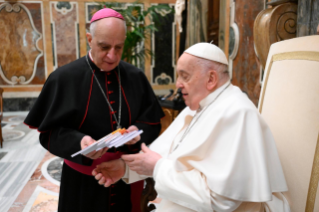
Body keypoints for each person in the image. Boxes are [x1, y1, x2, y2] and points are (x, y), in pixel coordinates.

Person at [92, 42, 291, 212]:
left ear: (211, 79)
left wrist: (158, 167)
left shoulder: (238, 113)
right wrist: (126, 169)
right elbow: (163, 157)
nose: (178, 84)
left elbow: (219, 199)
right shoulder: (195, 107)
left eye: (184, 76)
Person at [24, 8, 164, 212]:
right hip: (82, 185)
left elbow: (152, 122)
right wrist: (79, 142)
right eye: (104, 46)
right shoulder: (64, 78)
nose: (112, 55)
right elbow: (49, 134)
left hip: (126, 178)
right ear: (90, 39)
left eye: (119, 48)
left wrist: (137, 131)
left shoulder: (135, 77)